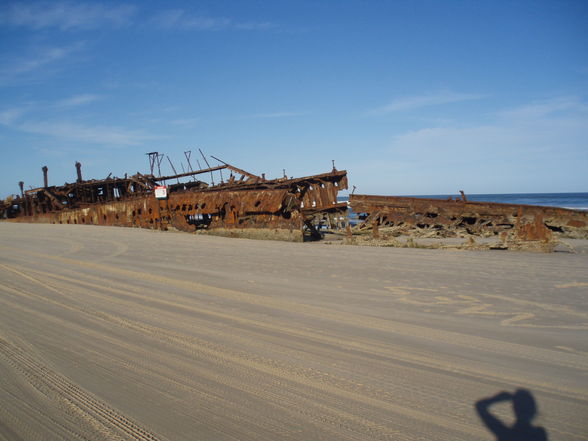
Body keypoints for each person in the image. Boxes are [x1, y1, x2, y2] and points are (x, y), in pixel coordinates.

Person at [475, 389, 547, 441]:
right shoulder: (539, 434)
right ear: (534, 410)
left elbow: (480, 406)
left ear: (515, 409)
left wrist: (496, 399)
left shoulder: (504, 433)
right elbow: (480, 406)